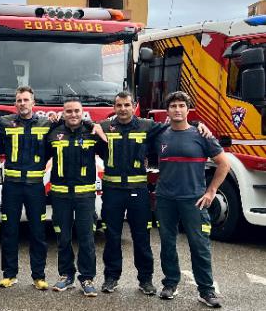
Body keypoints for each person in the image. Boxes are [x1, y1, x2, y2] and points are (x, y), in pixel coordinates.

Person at [98, 91, 212, 296]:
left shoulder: (148, 126)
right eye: (118, 105)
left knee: (141, 237)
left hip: (139, 192)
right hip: (112, 192)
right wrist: (91, 125)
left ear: (134, 106)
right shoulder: (105, 127)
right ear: (113, 108)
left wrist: (197, 124)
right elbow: (83, 126)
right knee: (112, 237)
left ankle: (146, 280)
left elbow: (177, 124)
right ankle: (111, 278)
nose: (123, 109)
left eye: (127, 105)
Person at [153, 91, 230, 308]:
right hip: (165, 199)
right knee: (167, 244)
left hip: (194, 201)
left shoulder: (202, 135)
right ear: (167, 111)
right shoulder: (160, 135)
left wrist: (211, 191)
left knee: (200, 245)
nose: (177, 109)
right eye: (173, 106)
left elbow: (224, 163)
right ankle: (170, 284)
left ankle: (206, 291)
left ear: (188, 110)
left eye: (181, 106)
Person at [0, 86, 52, 290]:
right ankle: (9, 274)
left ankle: (38, 276)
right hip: (12, 187)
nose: (22, 103)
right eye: (19, 100)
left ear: (33, 102)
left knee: (38, 232)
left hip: (35, 188)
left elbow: (71, 126)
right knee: (9, 231)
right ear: (15, 104)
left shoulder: (46, 123)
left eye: (26, 100)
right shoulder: (5, 123)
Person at [47, 97, 107, 297]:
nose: (73, 114)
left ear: (83, 113)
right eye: (69, 111)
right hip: (61, 195)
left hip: (85, 196)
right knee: (63, 238)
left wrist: (100, 132)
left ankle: (87, 278)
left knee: (87, 238)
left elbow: (108, 152)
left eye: (76, 111)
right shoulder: (54, 133)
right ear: (63, 113)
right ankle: (66, 275)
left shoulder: (91, 132)